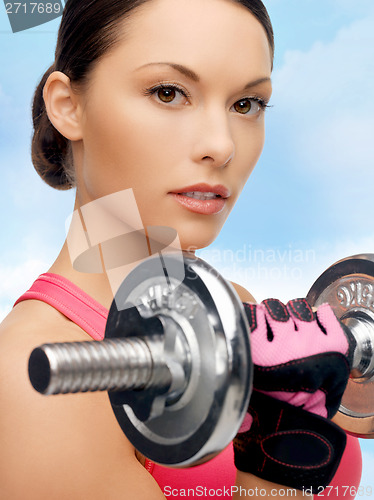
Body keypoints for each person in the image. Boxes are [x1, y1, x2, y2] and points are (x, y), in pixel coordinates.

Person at [0, 0, 361, 498]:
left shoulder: (232, 302)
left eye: (246, 105)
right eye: (168, 93)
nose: (221, 144)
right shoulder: (31, 378)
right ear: (68, 106)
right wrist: (281, 464)